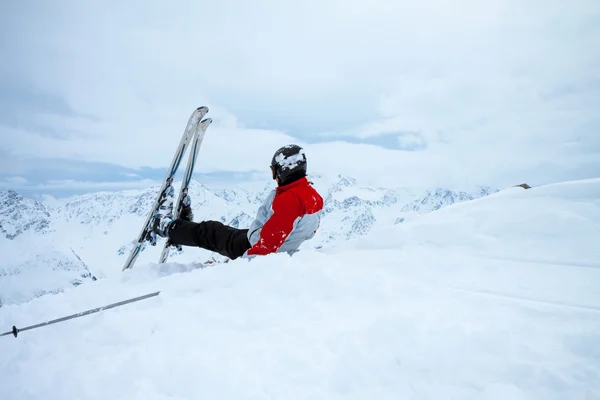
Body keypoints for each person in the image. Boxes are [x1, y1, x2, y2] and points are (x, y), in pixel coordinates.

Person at [151, 144, 324, 260]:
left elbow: (265, 247)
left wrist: (239, 267)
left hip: (253, 249)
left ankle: (165, 227)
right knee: (219, 231)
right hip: (277, 247)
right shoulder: (313, 196)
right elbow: (307, 231)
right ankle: (183, 229)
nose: (274, 177)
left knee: (210, 232)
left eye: (274, 172)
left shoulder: (290, 200)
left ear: (283, 171)